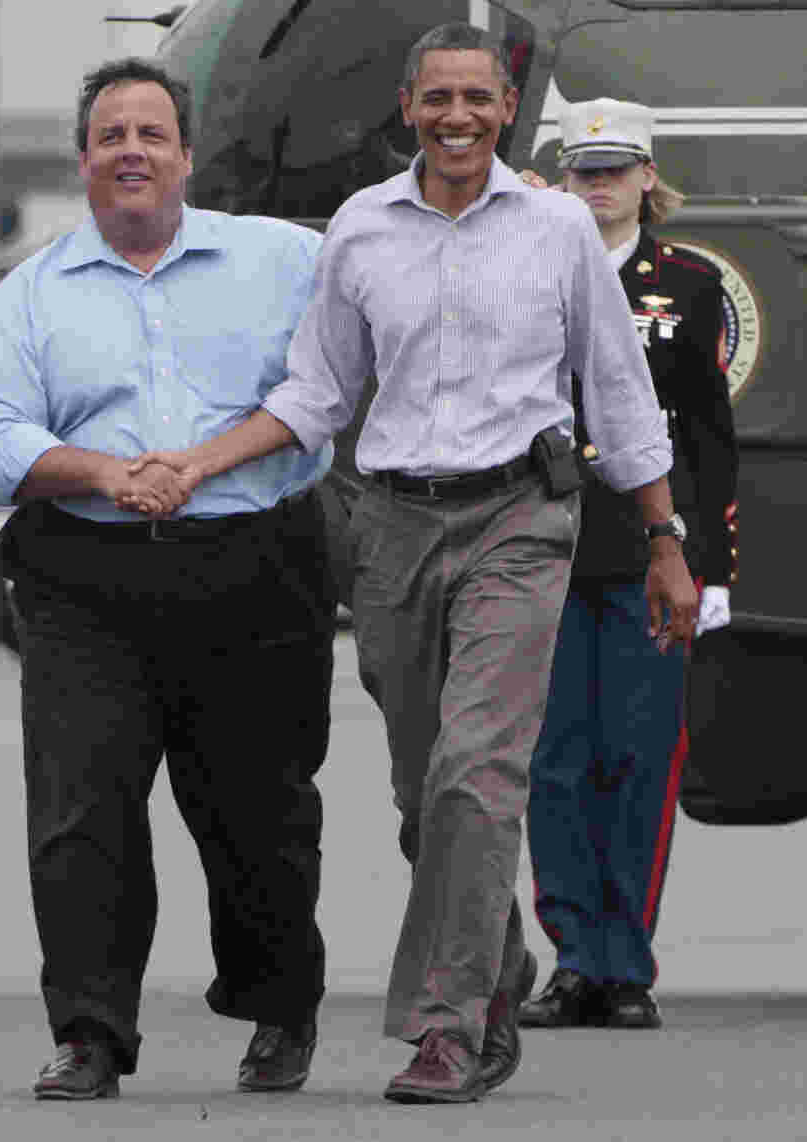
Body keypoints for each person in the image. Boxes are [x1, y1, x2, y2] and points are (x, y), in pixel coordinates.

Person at [128, 24, 699, 1104]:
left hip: (521, 521)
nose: (457, 117)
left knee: (477, 782)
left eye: (477, 98)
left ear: (507, 107)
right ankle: (497, 958)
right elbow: (316, 393)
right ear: (407, 106)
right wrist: (201, 460)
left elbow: (619, 395)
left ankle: (447, 1026)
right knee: (421, 792)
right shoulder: (361, 230)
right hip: (389, 530)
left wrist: (666, 540)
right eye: (437, 97)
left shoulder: (559, 233)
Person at [0, 57, 338, 1100]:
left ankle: (279, 1003)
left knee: (261, 812)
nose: (130, 151)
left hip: (256, 567)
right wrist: (109, 470)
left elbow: (338, 373)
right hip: (85, 577)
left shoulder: (289, 260)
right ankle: (90, 1031)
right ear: (82, 162)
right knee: (81, 810)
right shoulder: (29, 295)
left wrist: (200, 463)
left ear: (186, 156)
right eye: (110, 135)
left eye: (149, 133)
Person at [518, 98, 739, 1031]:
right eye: (583, 168)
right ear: (563, 178)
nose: (599, 183)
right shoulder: (529, 268)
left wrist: (714, 565)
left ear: (648, 178)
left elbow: (712, 439)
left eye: (616, 168)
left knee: (637, 760)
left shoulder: (690, 283)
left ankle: (627, 963)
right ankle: (573, 959)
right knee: (555, 761)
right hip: (546, 548)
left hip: (654, 556)